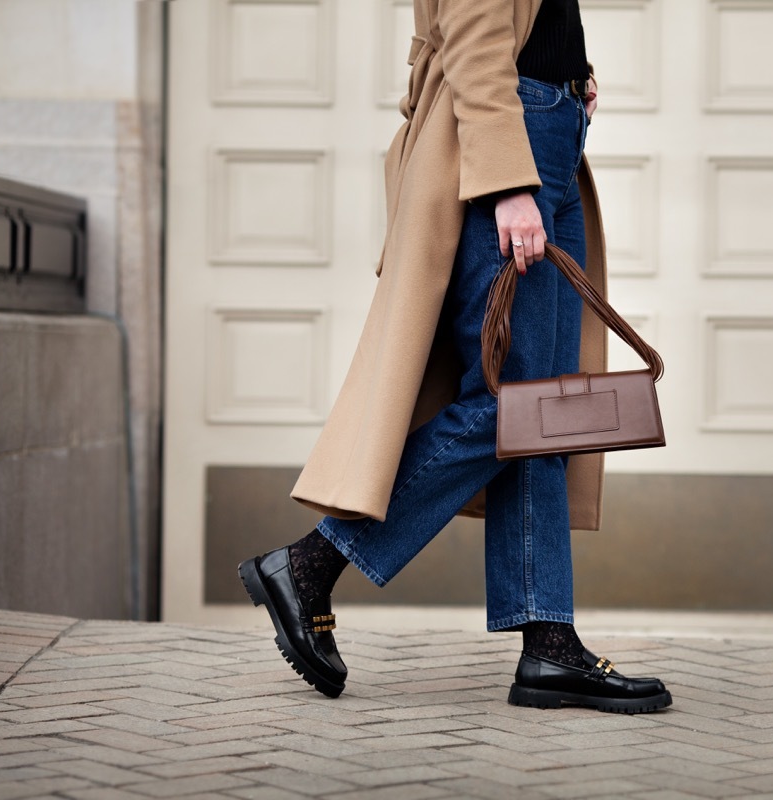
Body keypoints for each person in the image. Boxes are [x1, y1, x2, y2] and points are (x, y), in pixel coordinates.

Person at [238, 0, 671, 714]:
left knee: (543, 414)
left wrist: (574, 71)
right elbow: (472, 29)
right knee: (512, 406)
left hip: (551, 129)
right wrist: (506, 183)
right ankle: (311, 563)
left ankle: (550, 648)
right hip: (511, 140)